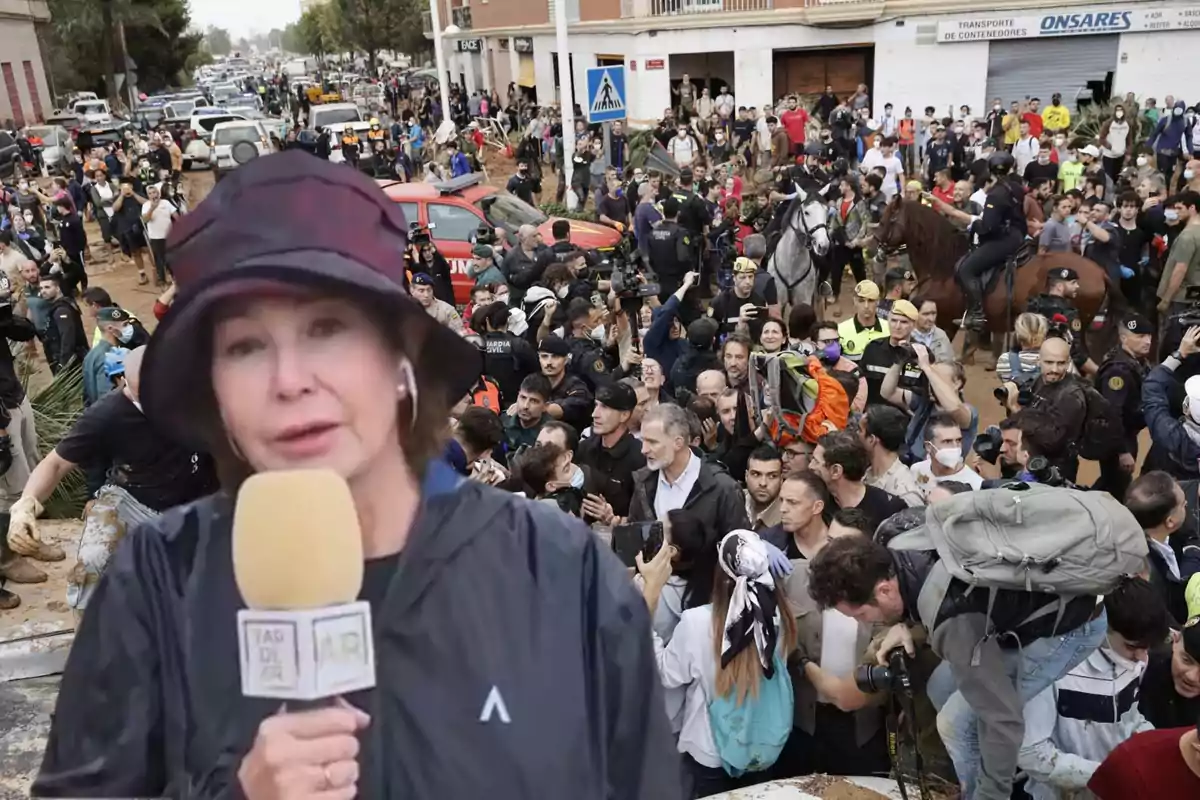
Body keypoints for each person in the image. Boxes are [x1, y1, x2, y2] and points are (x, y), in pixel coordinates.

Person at [28, 152, 682, 798]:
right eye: (246, 347)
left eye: (327, 330)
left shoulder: (562, 576)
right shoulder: (158, 587)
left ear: (402, 362)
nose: (289, 381)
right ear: (216, 394)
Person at [807, 533, 1108, 800]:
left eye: (861, 613)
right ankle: (977, 776)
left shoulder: (953, 621)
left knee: (955, 723)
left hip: (1070, 628)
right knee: (940, 688)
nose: (865, 622)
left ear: (884, 590)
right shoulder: (899, 544)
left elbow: (1003, 719)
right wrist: (903, 625)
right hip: (1019, 613)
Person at [641, 527, 797, 797]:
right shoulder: (779, 618)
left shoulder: (698, 622)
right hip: (763, 749)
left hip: (709, 754)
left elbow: (666, 674)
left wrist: (649, 598)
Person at [1017, 577, 1168, 799]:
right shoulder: (1052, 668)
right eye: (1132, 647)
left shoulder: (1134, 660)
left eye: (1147, 648)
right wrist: (1104, 774)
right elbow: (1030, 752)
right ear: (1103, 625)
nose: (1141, 657)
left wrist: (1156, 746)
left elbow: (1129, 719)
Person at [628, 403, 749, 539]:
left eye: (652, 442)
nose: (644, 450)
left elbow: (740, 551)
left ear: (678, 443)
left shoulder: (722, 487)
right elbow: (634, 540)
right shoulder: (643, 482)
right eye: (643, 440)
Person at [1126, 471, 1200, 625]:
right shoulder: (1148, 576)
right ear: (1170, 521)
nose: (1187, 505)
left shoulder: (1163, 532)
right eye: (1183, 504)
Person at [1093, 314, 1154, 499]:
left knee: (1112, 485)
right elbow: (1112, 413)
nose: (1147, 341)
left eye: (1149, 336)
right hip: (1117, 439)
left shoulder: (1136, 361)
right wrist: (1122, 451)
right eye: (1140, 336)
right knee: (1115, 489)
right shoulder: (1118, 370)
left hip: (1126, 434)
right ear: (1124, 338)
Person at [809, 430, 906, 533]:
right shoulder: (817, 503)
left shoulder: (889, 510)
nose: (810, 466)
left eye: (816, 461)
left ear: (836, 471)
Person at [576, 382, 646, 522]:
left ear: (624, 415)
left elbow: (645, 517)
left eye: (605, 407)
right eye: (596, 405)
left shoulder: (640, 457)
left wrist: (613, 519)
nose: (595, 414)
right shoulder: (583, 449)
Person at [860, 405, 923, 507]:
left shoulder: (905, 494)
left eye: (860, 430)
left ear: (871, 440)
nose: (856, 434)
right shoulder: (865, 474)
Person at [909, 411, 984, 496]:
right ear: (928, 447)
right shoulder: (917, 470)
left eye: (958, 440)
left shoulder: (975, 485)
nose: (955, 446)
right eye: (947, 441)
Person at [39, 273, 88, 374]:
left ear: (57, 288)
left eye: (47, 287)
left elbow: (67, 338)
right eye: (41, 288)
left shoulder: (61, 310)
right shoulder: (63, 305)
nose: (43, 291)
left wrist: (63, 364)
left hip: (72, 365)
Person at [836, 280, 889, 366]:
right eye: (861, 301)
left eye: (871, 301)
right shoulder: (840, 330)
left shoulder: (889, 329)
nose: (866, 306)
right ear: (854, 301)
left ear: (878, 302)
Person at [140, 182, 176, 287]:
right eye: (150, 193)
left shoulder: (166, 203)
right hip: (156, 237)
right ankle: (162, 281)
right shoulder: (146, 206)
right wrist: (152, 208)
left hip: (169, 235)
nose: (153, 195)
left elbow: (175, 215)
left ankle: (175, 279)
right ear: (148, 195)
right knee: (159, 260)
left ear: (158, 193)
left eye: (154, 192)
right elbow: (145, 220)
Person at [744, 444, 783, 533]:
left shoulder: (788, 516)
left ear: (781, 480)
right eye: (756, 474)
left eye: (772, 476)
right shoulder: (732, 500)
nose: (763, 483)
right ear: (746, 476)